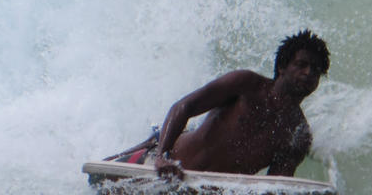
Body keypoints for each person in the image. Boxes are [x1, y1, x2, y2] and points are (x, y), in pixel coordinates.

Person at [107, 30, 330, 180]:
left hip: (200, 188)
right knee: (102, 185)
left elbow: (272, 189)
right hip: (160, 160)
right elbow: (183, 108)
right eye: (301, 65)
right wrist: (160, 158)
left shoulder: (298, 135)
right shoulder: (245, 85)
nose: (309, 73)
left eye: (316, 70)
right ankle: (152, 143)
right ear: (282, 66)